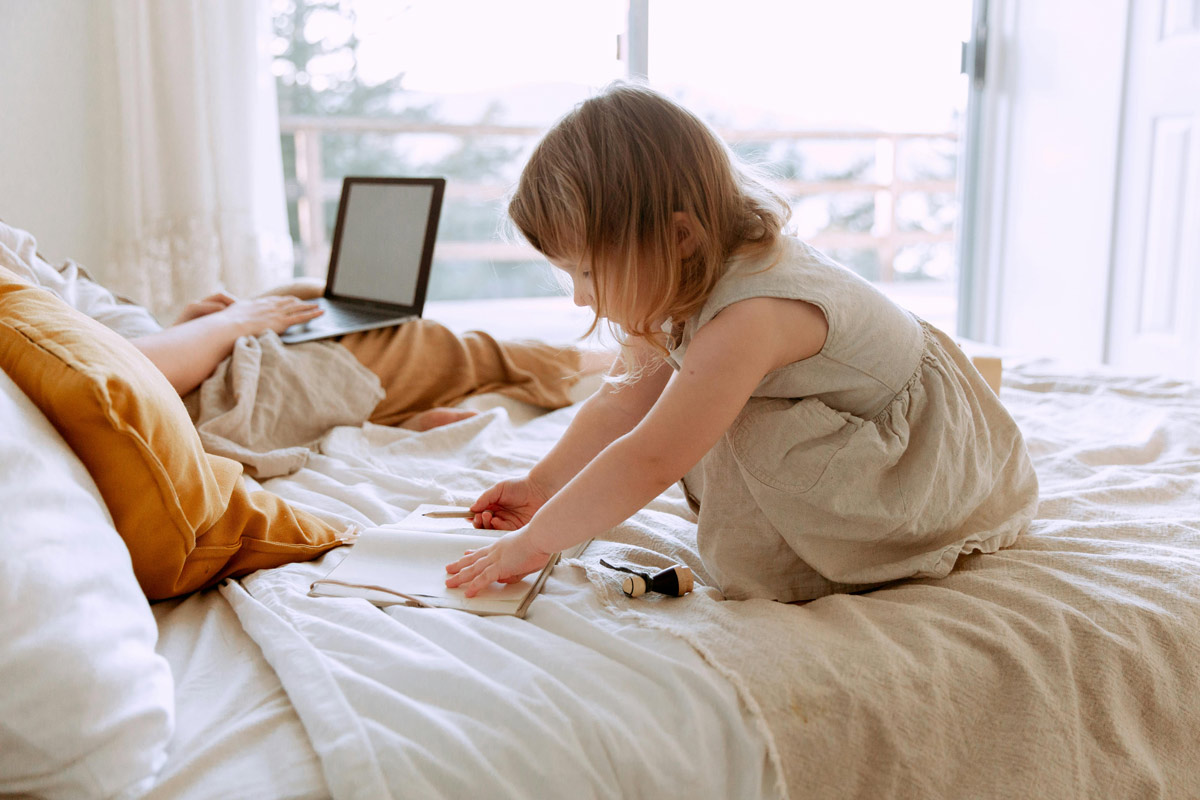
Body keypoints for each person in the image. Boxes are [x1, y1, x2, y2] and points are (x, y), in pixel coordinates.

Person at [446, 82, 1039, 602]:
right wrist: (544, 488)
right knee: (692, 402)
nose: (580, 297)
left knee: (717, 424)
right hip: (849, 418)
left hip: (910, 470)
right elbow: (622, 402)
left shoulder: (753, 313)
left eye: (589, 274)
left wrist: (535, 544)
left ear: (677, 236)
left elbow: (652, 456)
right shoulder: (678, 275)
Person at [0, 219, 607, 433]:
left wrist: (177, 327)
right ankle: (584, 365)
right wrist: (227, 328)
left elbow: (91, 339)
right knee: (413, 340)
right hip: (196, 391)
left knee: (309, 295)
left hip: (183, 359)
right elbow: (110, 374)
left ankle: (402, 413)